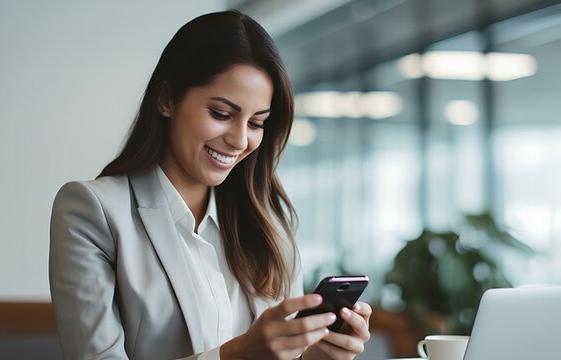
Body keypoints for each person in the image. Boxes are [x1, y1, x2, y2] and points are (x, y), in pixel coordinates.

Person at [49, 10, 371, 360]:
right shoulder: (90, 210)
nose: (239, 140)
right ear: (167, 99)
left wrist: (316, 356)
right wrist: (236, 355)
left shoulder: (270, 229)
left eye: (256, 122)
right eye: (221, 114)